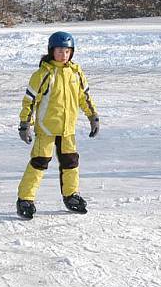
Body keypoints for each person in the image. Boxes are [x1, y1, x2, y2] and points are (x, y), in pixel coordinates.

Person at [16, 31, 99, 219]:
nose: (64, 55)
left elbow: (84, 97)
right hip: (46, 129)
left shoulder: (76, 72)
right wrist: (25, 124)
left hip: (68, 130)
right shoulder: (43, 74)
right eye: (60, 51)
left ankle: (71, 195)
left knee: (71, 163)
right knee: (39, 163)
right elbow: (29, 101)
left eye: (67, 51)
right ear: (51, 51)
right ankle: (25, 199)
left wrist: (92, 116)